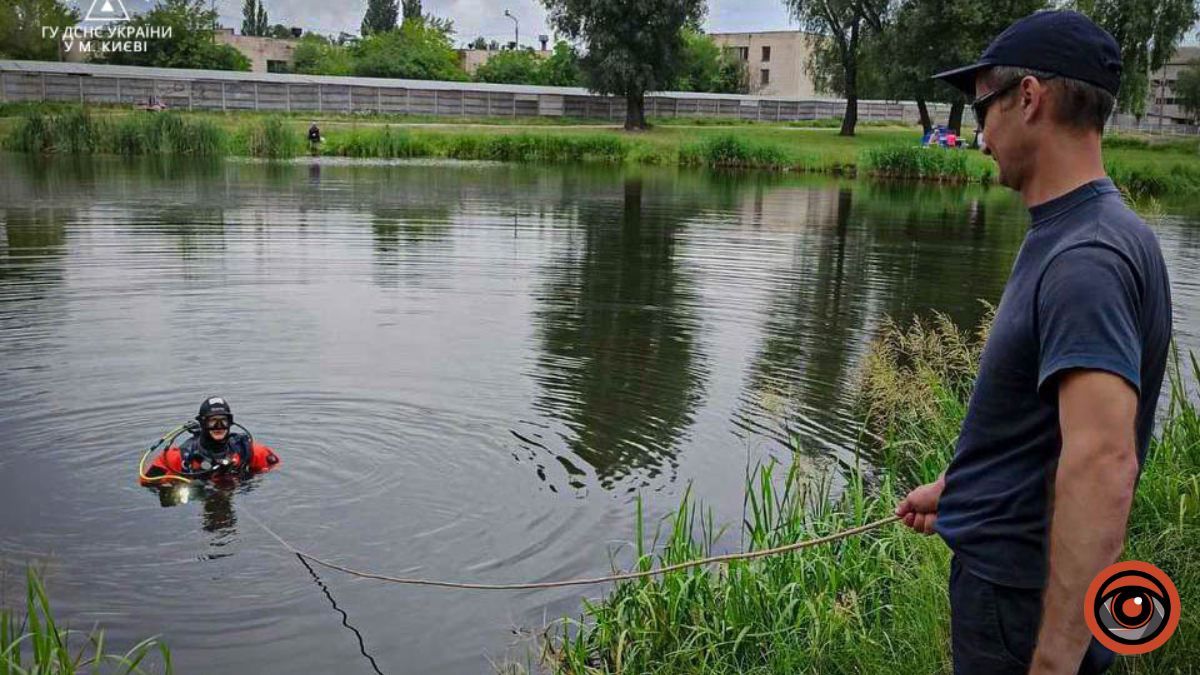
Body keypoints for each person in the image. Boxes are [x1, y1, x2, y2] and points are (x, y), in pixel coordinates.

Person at [894, 10, 1172, 675]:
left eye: (982, 106)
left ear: (1029, 97)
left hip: (1024, 607)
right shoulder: (1091, 231)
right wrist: (963, 487)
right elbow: (1045, 430)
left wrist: (1054, 659)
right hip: (1022, 592)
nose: (979, 133)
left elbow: (1104, 461)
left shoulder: (1086, 258)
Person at [142, 396, 280, 484]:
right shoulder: (181, 456)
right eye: (213, 421)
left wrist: (250, 478)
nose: (219, 427)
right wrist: (180, 485)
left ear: (230, 423)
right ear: (202, 423)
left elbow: (275, 467)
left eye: (223, 421)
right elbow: (146, 480)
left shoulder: (246, 450)